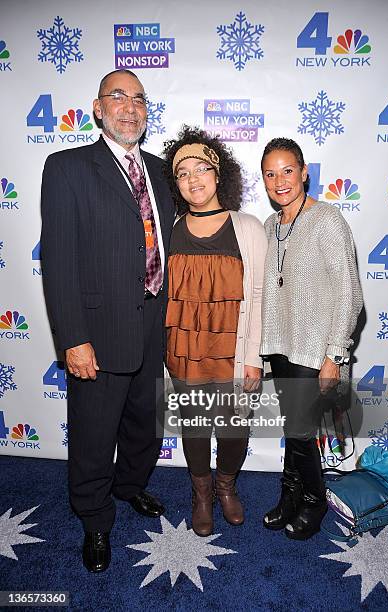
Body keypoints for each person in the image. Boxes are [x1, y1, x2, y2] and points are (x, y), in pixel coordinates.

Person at [40, 69, 174, 572]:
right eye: (118, 96)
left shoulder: (162, 172)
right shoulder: (67, 167)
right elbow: (58, 260)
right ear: (97, 108)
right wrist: (73, 338)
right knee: (95, 433)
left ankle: (130, 487)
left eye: (139, 99)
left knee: (144, 426)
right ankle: (95, 519)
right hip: (97, 331)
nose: (130, 107)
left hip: (153, 325)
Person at [162, 126, 267, 536]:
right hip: (185, 349)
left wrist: (253, 357)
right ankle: (201, 494)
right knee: (194, 426)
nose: (193, 179)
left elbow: (259, 296)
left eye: (201, 168)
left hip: (232, 350)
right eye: (182, 172)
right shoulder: (168, 229)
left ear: (219, 174)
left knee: (234, 428)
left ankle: (226, 486)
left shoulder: (247, 227)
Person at [260, 137, 363, 540]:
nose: (279, 180)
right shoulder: (271, 226)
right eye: (270, 173)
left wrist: (335, 355)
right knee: (294, 429)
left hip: (316, 350)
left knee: (301, 433)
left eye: (288, 170)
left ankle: (314, 500)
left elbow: (349, 294)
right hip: (283, 347)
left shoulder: (328, 220)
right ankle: (291, 494)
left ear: (304, 173)